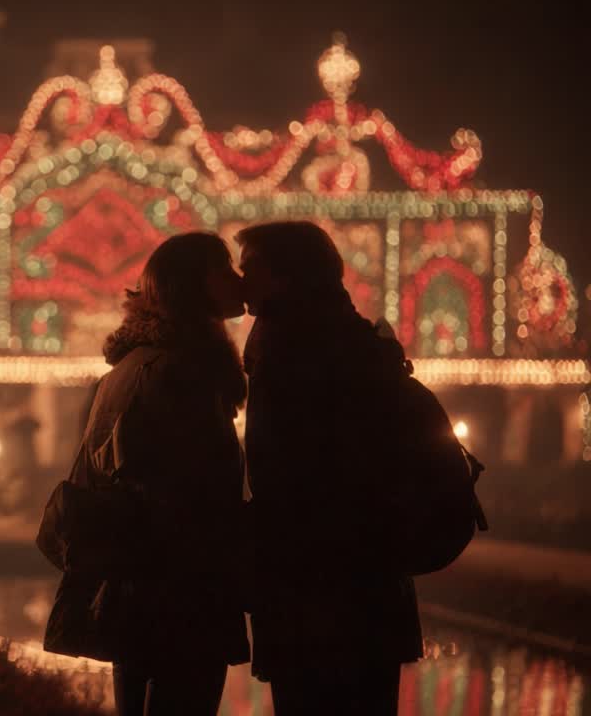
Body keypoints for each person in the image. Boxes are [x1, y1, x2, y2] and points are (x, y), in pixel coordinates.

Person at [237, 221, 421, 715]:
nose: (240, 281)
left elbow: (283, 472)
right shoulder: (351, 335)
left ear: (286, 276)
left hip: (313, 584)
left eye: (249, 268)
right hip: (371, 581)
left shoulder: (286, 345)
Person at [83, 232, 250, 715]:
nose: (237, 280)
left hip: (136, 588)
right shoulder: (182, 373)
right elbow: (185, 490)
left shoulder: (133, 365)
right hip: (180, 595)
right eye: (224, 269)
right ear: (190, 285)